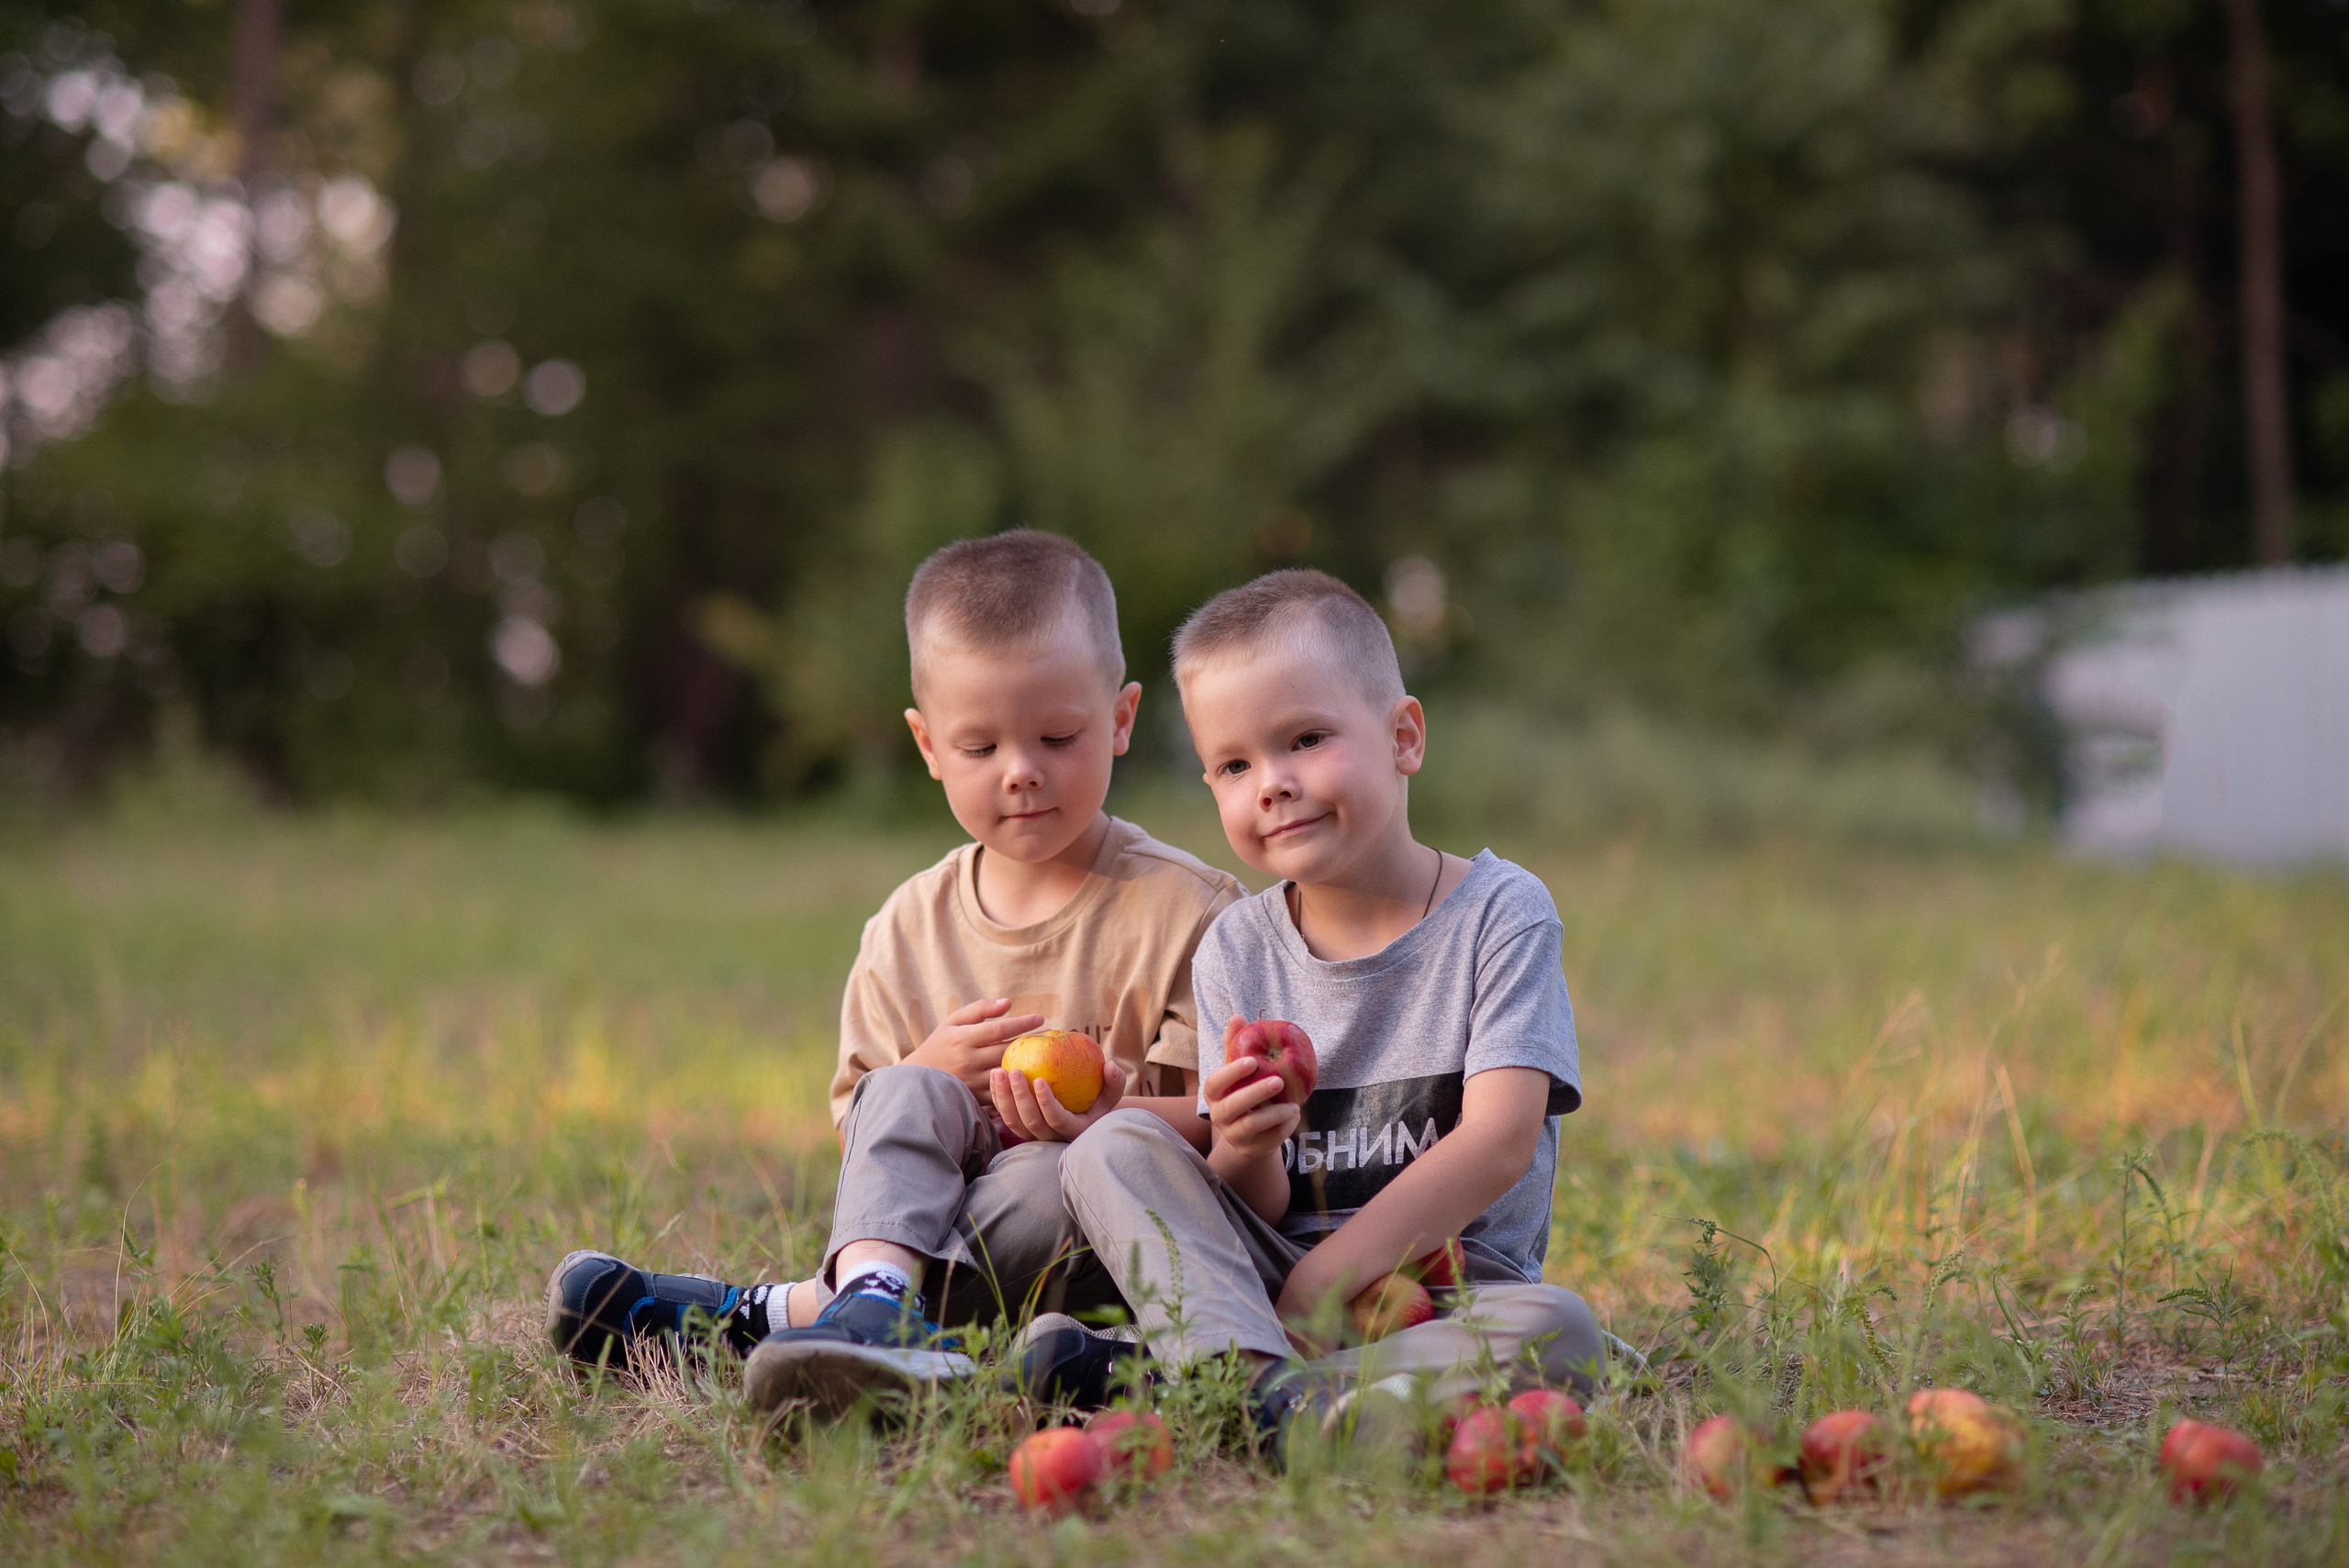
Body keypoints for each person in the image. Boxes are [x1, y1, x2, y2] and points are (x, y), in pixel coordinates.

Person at [543, 531, 1241, 1417]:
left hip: (1100, 1239)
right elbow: (866, 1150)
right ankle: (874, 1312)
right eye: (979, 747)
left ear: (1120, 717)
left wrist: (1104, 1116)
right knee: (907, 1085)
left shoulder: (1187, 911)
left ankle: (762, 1317)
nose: (1022, 772)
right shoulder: (909, 927)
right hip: (928, 1238)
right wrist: (929, 1072)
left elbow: (1227, 1132)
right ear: (927, 743)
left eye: (1058, 736)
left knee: (1049, 1173)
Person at [1052, 568, 1604, 1444]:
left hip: (1447, 1294)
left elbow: (1500, 1140)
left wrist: (1325, 1283)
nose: (1271, 783)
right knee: (1113, 1146)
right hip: (1271, 1277)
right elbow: (1260, 1202)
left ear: (1403, 737)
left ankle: (1207, 1382)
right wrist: (1244, 1143)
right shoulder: (1238, 945)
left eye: (1305, 739)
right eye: (1235, 765)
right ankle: (1268, 1390)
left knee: (1560, 1331)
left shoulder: (1501, 912)